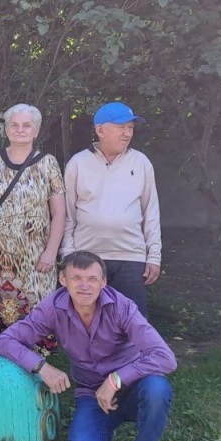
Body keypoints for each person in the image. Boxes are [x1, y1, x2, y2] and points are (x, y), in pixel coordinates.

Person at [0, 251, 176, 441]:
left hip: (134, 388)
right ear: (62, 279)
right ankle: (104, 430)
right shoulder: (53, 307)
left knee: (157, 389)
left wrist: (116, 380)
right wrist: (41, 367)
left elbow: (165, 357)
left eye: (92, 279)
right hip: (91, 391)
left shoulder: (122, 307)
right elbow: (3, 341)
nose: (84, 286)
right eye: (77, 278)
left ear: (104, 282)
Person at [0, 104, 66, 349]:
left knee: (34, 309)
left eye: (26, 125)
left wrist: (51, 252)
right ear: (6, 129)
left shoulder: (47, 164)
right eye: (14, 125)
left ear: (36, 130)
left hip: (35, 252)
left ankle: (32, 372)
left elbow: (59, 212)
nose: (20, 130)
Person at [62, 101, 161, 318]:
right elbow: (67, 214)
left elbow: (151, 212)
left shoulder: (141, 162)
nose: (127, 134)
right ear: (100, 130)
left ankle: (136, 355)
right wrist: (68, 254)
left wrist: (154, 256)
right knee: (86, 322)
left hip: (130, 257)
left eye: (131, 128)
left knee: (133, 323)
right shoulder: (78, 163)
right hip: (86, 256)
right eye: (121, 127)